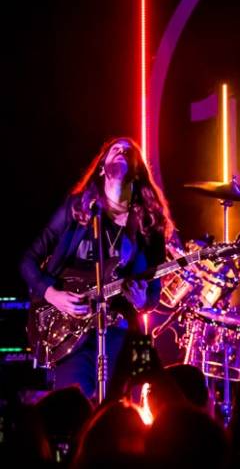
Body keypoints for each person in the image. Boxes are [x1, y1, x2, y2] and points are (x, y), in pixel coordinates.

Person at [20, 137, 173, 398]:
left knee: (114, 406)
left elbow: (153, 295)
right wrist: (52, 294)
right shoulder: (77, 209)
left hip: (117, 329)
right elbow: (28, 261)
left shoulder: (148, 223)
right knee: (74, 404)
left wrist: (141, 301)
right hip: (68, 330)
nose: (122, 152)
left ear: (137, 171)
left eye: (129, 152)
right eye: (115, 149)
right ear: (102, 166)